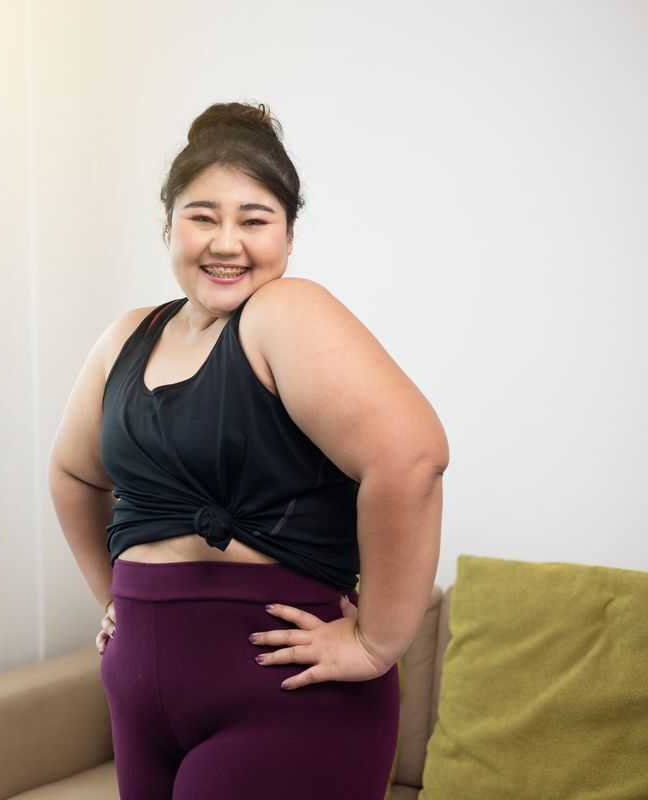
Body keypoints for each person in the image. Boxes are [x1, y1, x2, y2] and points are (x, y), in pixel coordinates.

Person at [47, 101, 449, 800]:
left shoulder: (283, 313)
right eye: (202, 216)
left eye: (254, 219)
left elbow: (412, 458)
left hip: (285, 701)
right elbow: (73, 472)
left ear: (288, 237)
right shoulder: (128, 336)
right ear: (168, 225)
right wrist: (113, 594)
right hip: (140, 701)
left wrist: (378, 643)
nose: (226, 243)